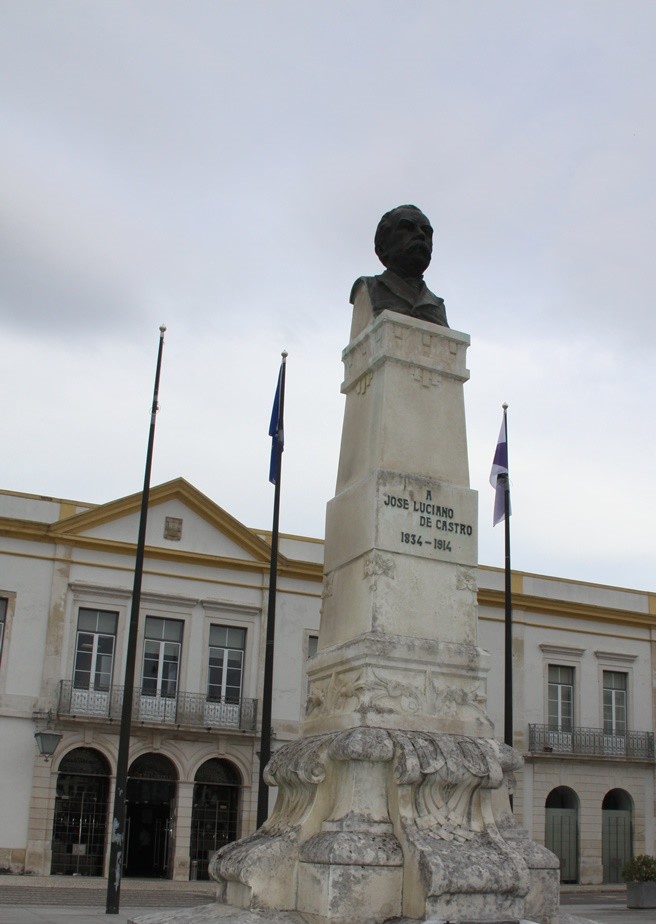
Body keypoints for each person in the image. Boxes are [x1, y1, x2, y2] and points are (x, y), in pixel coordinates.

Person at [350, 205, 449, 328]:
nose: (421, 235)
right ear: (382, 247)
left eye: (426, 231)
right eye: (407, 228)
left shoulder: (437, 306)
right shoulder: (367, 289)